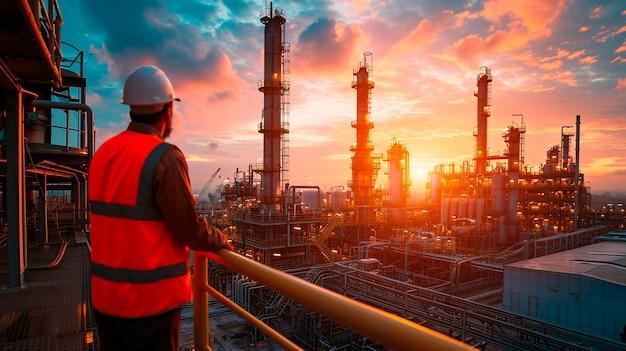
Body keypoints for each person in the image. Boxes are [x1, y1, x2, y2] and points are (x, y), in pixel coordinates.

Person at [88, 65, 233, 351]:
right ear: (168, 110)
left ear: (130, 108)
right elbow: (187, 228)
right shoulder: (162, 157)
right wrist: (220, 239)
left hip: (106, 298)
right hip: (149, 305)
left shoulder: (104, 152)